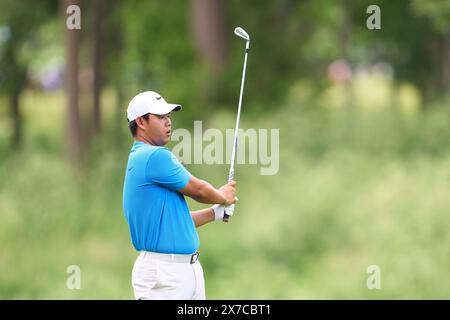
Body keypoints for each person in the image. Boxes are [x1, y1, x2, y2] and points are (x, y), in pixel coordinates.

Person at [122, 91, 237, 300]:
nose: (168, 123)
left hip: (186, 271)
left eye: (169, 117)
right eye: (161, 117)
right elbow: (199, 191)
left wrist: (215, 213)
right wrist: (222, 197)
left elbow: (176, 221)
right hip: (164, 273)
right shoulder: (153, 156)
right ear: (141, 122)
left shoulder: (144, 159)